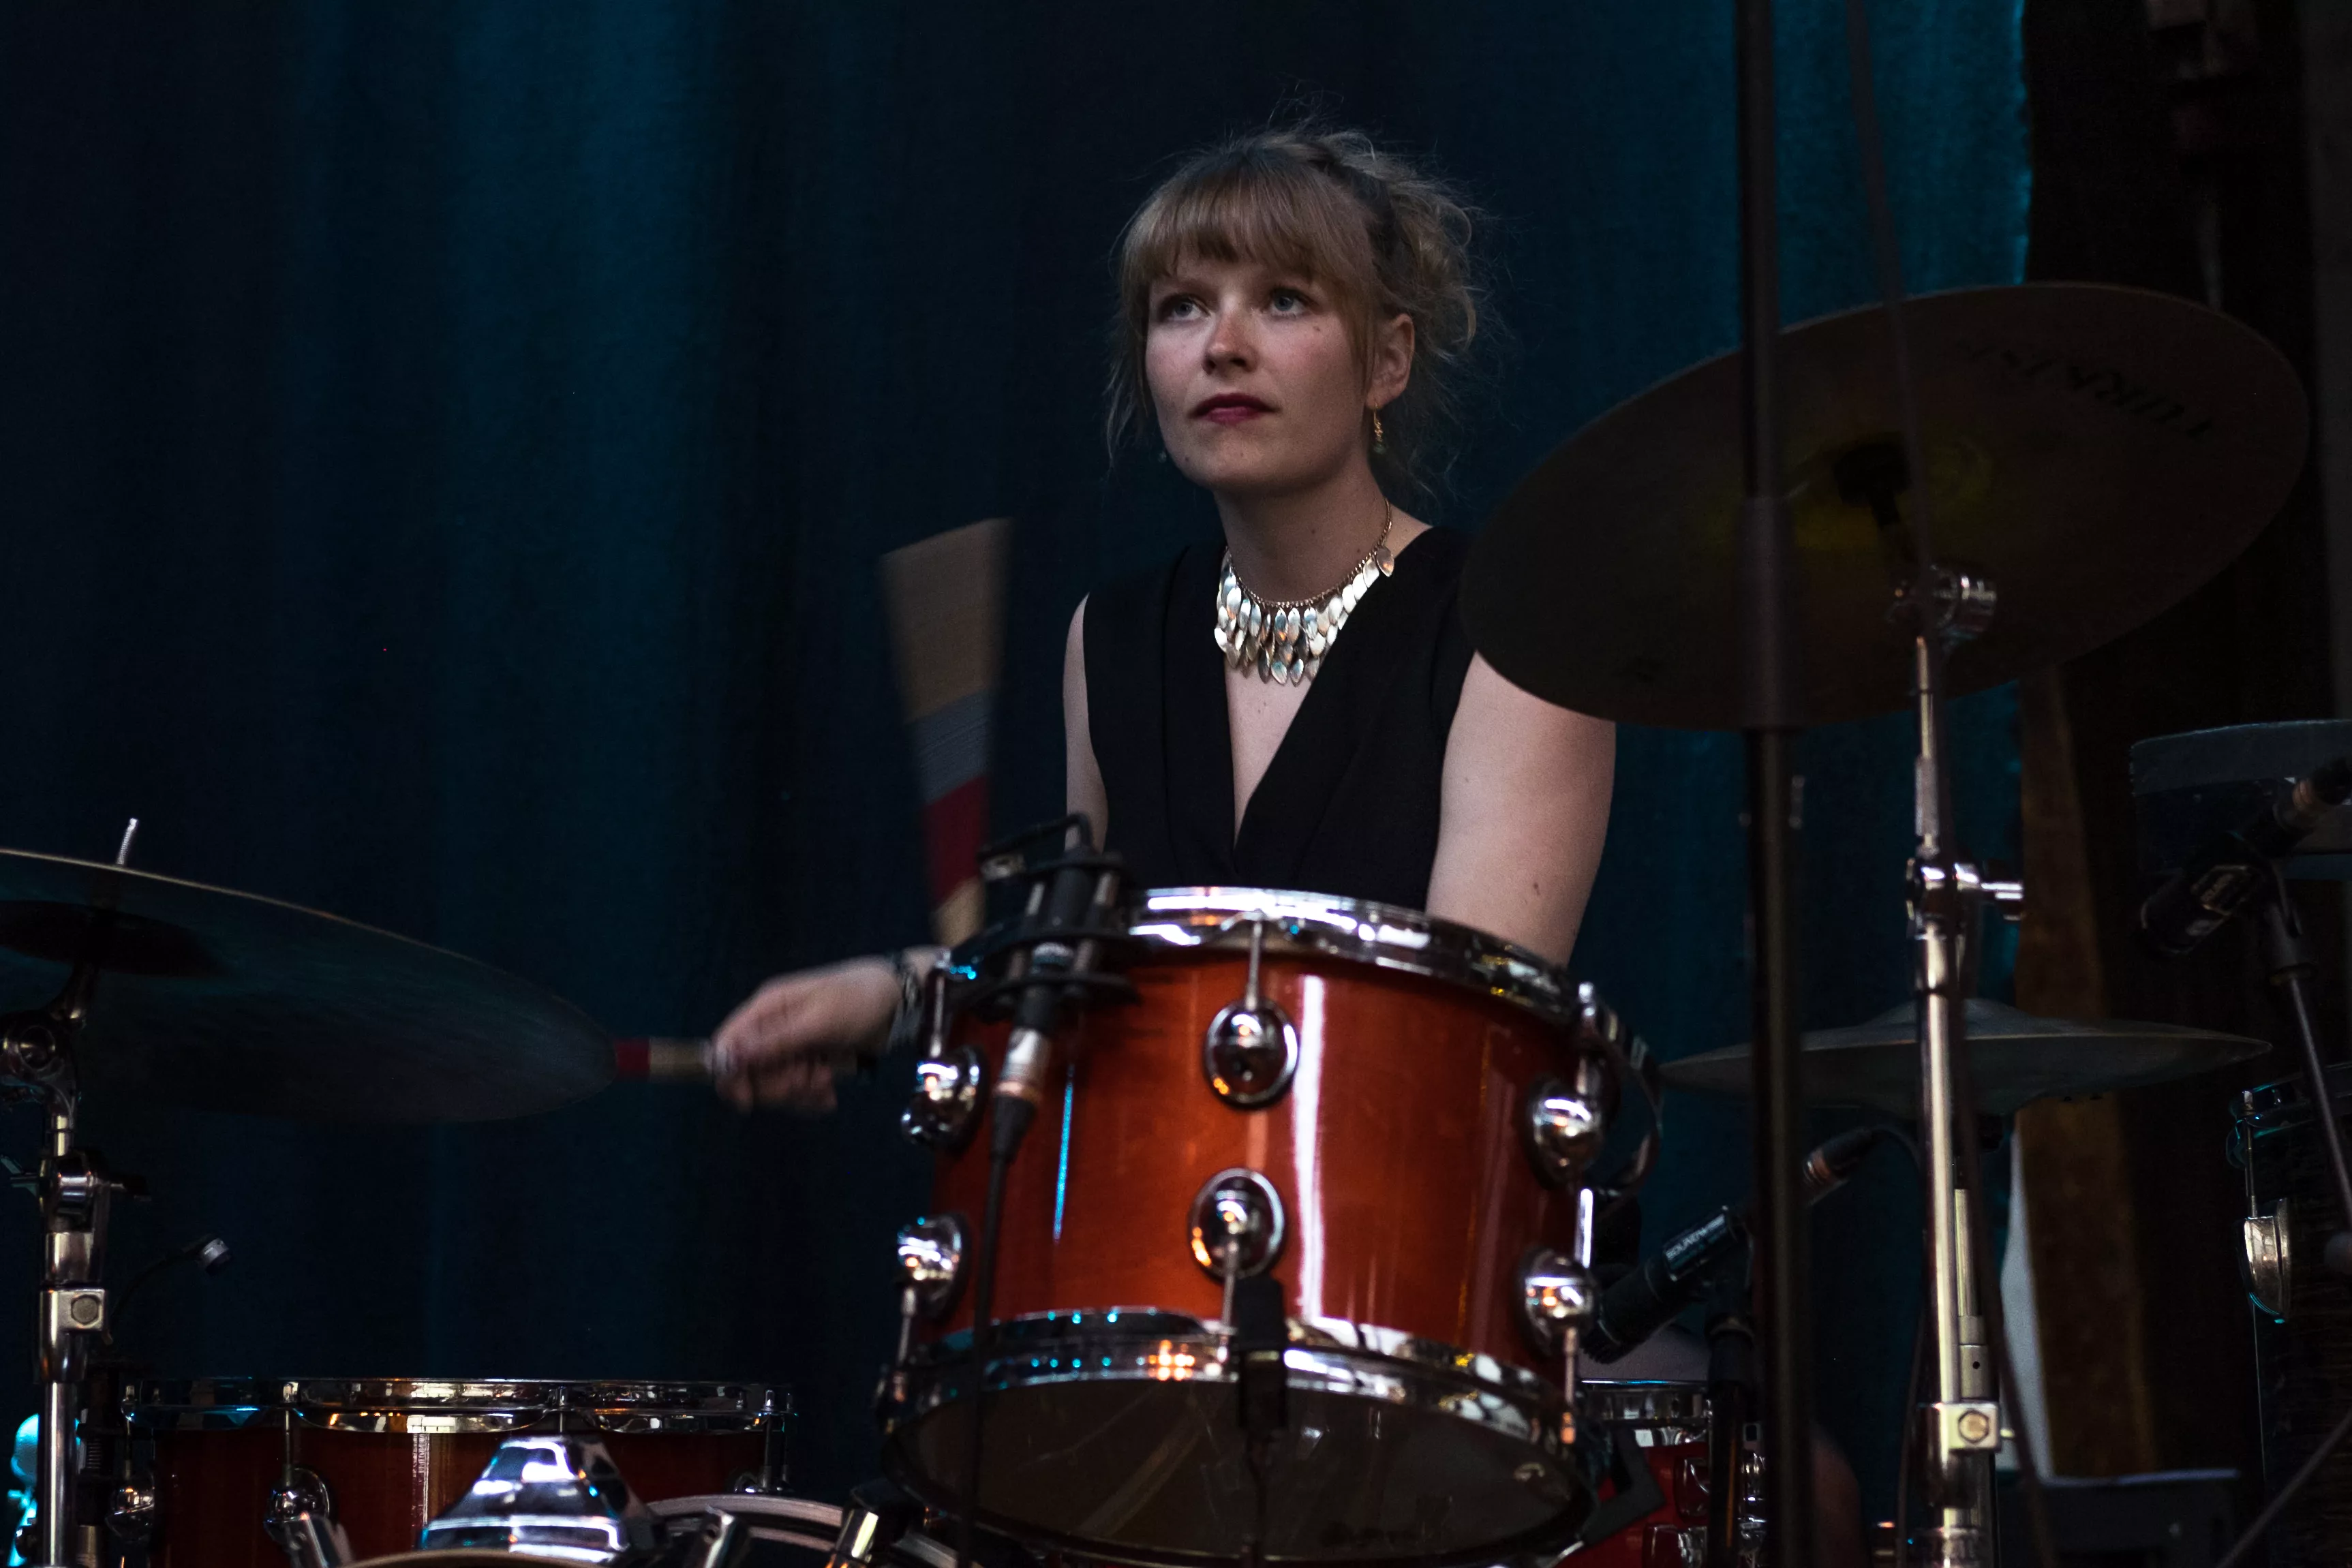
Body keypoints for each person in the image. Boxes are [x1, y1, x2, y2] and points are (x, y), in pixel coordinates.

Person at [713, 125, 1611, 1109]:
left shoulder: (1513, 636)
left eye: (1283, 299)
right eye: (1181, 307)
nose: (1222, 346)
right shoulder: (1111, 639)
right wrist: (891, 996)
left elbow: (1461, 1053)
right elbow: (1093, 981)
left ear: (1386, 361)